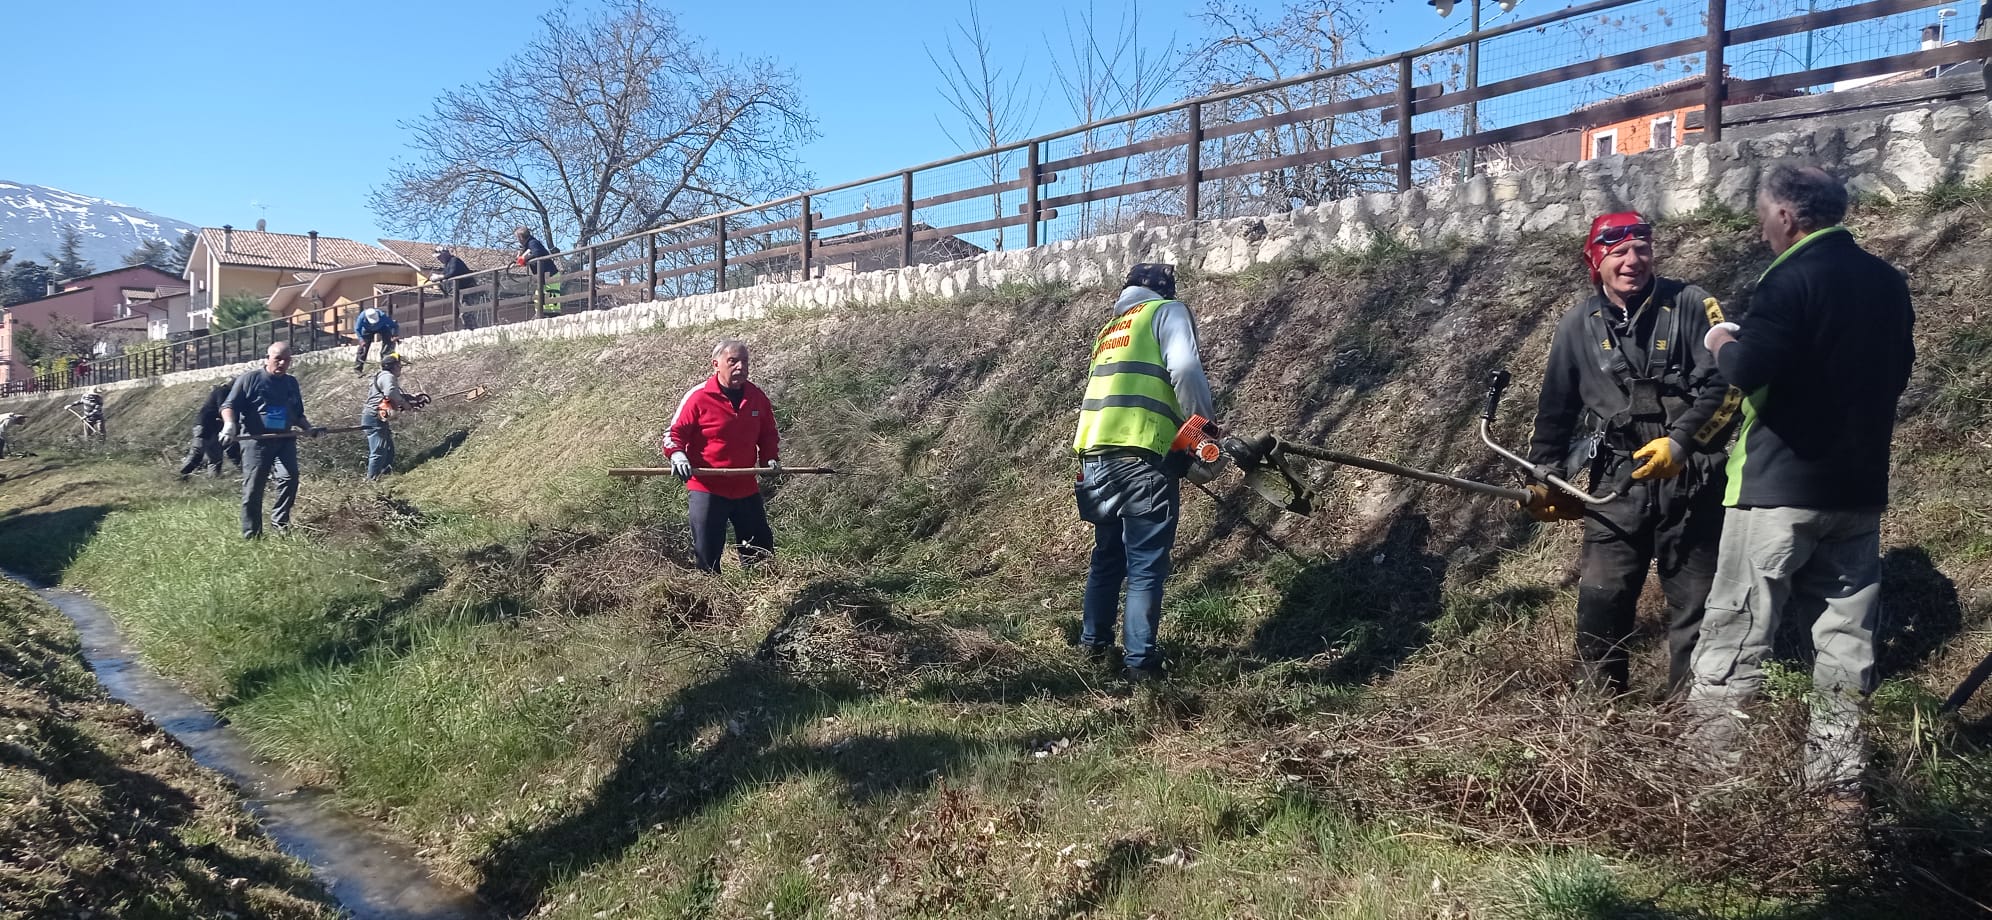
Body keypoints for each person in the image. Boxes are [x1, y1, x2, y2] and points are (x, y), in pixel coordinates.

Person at [1687, 165, 1915, 798]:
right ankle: (1837, 786)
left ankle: (1709, 785)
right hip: (1857, 491)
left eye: (1763, 215)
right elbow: (1897, 374)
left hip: (1776, 492)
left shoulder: (1789, 278)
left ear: (1787, 215)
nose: (1761, 229)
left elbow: (1750, 366)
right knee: (1845, 645)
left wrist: (1720, 339)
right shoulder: (1886, 282)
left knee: (1736, 635)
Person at [1522, 212, 1740, 697]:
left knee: (1697, 603)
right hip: (1616, 481)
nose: (1632, 261)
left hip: (1693, 477)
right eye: (1618, 252)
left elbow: (1730, 383)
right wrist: (1545, 477)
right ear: (1595, 261)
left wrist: (1681, 442)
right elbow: (1555, 411)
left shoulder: (1692, 304)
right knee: (1602, 597)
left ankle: (1698, 718)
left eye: (1642, 248)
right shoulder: (1577, 326)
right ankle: (1600, 715)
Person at [1073, 263, 1221, 683]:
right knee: (1145, 564)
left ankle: (1093, 646)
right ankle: (1140, 664)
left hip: (1096, 457)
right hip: (1143, 458)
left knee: (1107, 557)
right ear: (1164, 290)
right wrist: (1203, 434)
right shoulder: (1166, 311)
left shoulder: (1110, 331)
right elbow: (1187, 371)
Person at [663, 340, 780, 573]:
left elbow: (768, 434)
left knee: (760, 552)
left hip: (745, 487)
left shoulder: (756, 397)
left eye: (744, 362)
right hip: (708, 487)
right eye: (733, 361)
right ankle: (710, 600)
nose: (740, 367)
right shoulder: (698, 397)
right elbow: (673, 434)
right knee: (707, 555)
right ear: (716, 364)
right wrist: (677, 455)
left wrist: (769, 458)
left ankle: (763, 597)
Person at [221, 342, 323, 538]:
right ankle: (252, 534)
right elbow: (229, 405)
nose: (282, 363)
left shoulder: (291, 383)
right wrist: (229, 425)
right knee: (253, 489)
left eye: (287, 360)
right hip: (256, 441)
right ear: (267, 359)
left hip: (284, 439)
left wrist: (309, 429)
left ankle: (280, 524)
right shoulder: (250, 379)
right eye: (278, 359)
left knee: (289, 478)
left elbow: (297, 414)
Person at [362, 352, 427, 481]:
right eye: (399, 365)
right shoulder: (388, 377)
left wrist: (411, 398)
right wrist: (405, 404)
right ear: (393, 366)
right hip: (374, 417)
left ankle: (384, 477)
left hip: (376, 416)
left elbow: (389, 395)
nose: (401, 368)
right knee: (379, 451)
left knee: (388, 449)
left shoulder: (382, 376)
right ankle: (371, 481)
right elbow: (390, 392)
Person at [178, 382, 243, 479]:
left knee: (215, 458)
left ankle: (213, 481)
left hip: (216, 428)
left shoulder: (227, 393)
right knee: (197, 453)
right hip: (205, 426)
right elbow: (223, 408)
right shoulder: (222, 391)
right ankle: (181, 476)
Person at [515, 226, 560, 317]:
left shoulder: (533, 243)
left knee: (551, 293)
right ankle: (540, 313)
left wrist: (525, 258)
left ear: (520, 237)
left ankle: (552, 314)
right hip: (543, 275)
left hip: (550, 274)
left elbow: (537, 253)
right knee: (538, 295)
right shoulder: (528, 246)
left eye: (517, 238)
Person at [353, 305, 399, 375]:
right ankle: (358, 368)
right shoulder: (362, 317)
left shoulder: (382, 315)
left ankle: (386, 365)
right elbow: (357, 329)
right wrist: (361, 340)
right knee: (363, 349)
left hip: (382, 328)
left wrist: (395, 335)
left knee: (388, 344)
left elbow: (394, 325)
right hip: (367, 330)